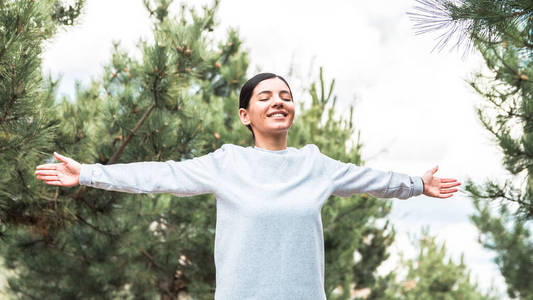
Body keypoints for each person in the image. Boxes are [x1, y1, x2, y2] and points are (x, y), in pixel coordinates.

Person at [34, 73, 460, 299]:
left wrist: (416, 184)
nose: (278, 101)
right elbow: (159, 175)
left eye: (286, 95)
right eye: (265, 96)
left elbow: (372, 179)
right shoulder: (227, 164)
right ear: (245, 115)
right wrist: (88, 172)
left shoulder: (315, 165)